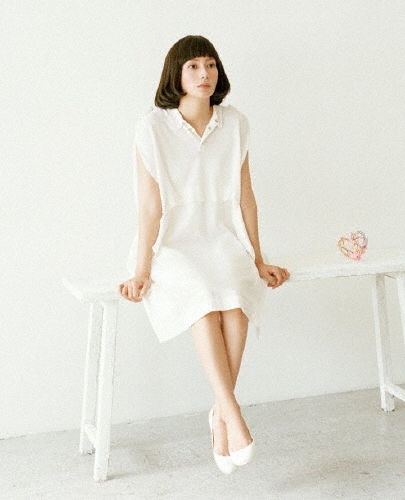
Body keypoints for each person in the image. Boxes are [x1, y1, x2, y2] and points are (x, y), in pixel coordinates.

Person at [118, 35, 289, 474]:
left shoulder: (235, 123)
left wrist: (257, 259)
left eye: (211, 64)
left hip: (220, 236)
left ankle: (220, 412)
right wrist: (141, 269)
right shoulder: (151, 128)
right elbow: (150, 207)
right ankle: (231, 414)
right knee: (201, 295)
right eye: (193, 66)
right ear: (175, 73)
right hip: (172, 242)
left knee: (236, 291)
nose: (204, 74)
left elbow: (246, 197)